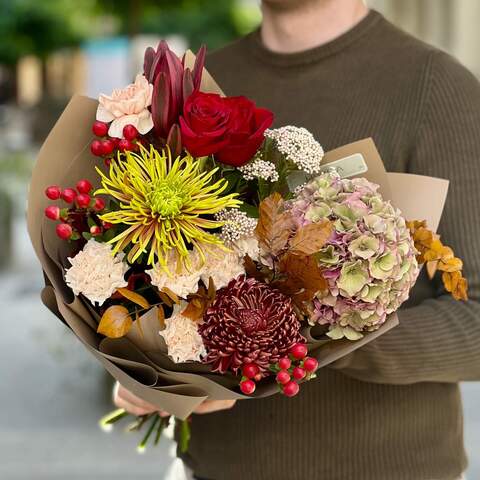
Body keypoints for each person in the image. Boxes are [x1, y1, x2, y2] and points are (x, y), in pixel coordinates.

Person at [114, 0, 480, 478]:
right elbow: (150, 269)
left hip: (386, 467)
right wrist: (144, 362)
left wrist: (308, 341)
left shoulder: (435, 86)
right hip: (216, 465)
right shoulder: (201, 83)